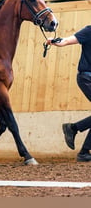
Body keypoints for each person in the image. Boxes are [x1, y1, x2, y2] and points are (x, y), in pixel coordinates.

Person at [47, 25, 91, 162]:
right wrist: (55, 41)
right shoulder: (89, 30)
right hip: (86, 77)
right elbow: (66, 41)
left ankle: (83, 150)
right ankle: (74, 130)